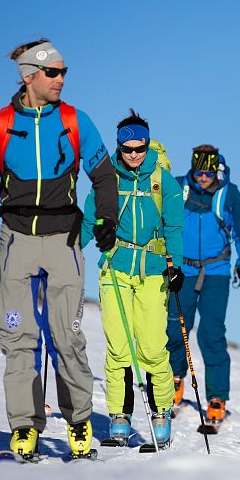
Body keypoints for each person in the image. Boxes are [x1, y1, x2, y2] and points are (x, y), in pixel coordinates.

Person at [0, 39, 119, 458]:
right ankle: (24, 426)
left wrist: (107, 219)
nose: (61, 79)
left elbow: (104, 176)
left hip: (64, 240)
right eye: (53, 72)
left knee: (68, 336)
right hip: (16, 241)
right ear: (29, 76)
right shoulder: (1, 124)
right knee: (18, 336)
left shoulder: (75, 121)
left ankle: (79, 422)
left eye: (64, 72)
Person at [82, 109, 184, 447]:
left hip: (154, 270)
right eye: (128, 149)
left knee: (153, 347)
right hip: (116, 267)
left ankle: (160, 412)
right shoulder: (107, 177)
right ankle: (119, 416)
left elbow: (174, 225)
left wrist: (176, 265)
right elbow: (88, 219)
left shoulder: (162, 179)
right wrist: (67, 254)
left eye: (140, 148)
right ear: (119, 148)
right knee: (118, 347)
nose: (134, 155)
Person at [167, 145, 240, 423]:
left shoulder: (229, 193)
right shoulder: (180, 187)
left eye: (208, 173)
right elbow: (161, 220)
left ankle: (217, 396)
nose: (203, 178)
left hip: (216, 270)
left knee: (211, 333)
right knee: (176, 327)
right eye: (198, 172)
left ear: (216, 170)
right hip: (183, 270)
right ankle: (175, 379)